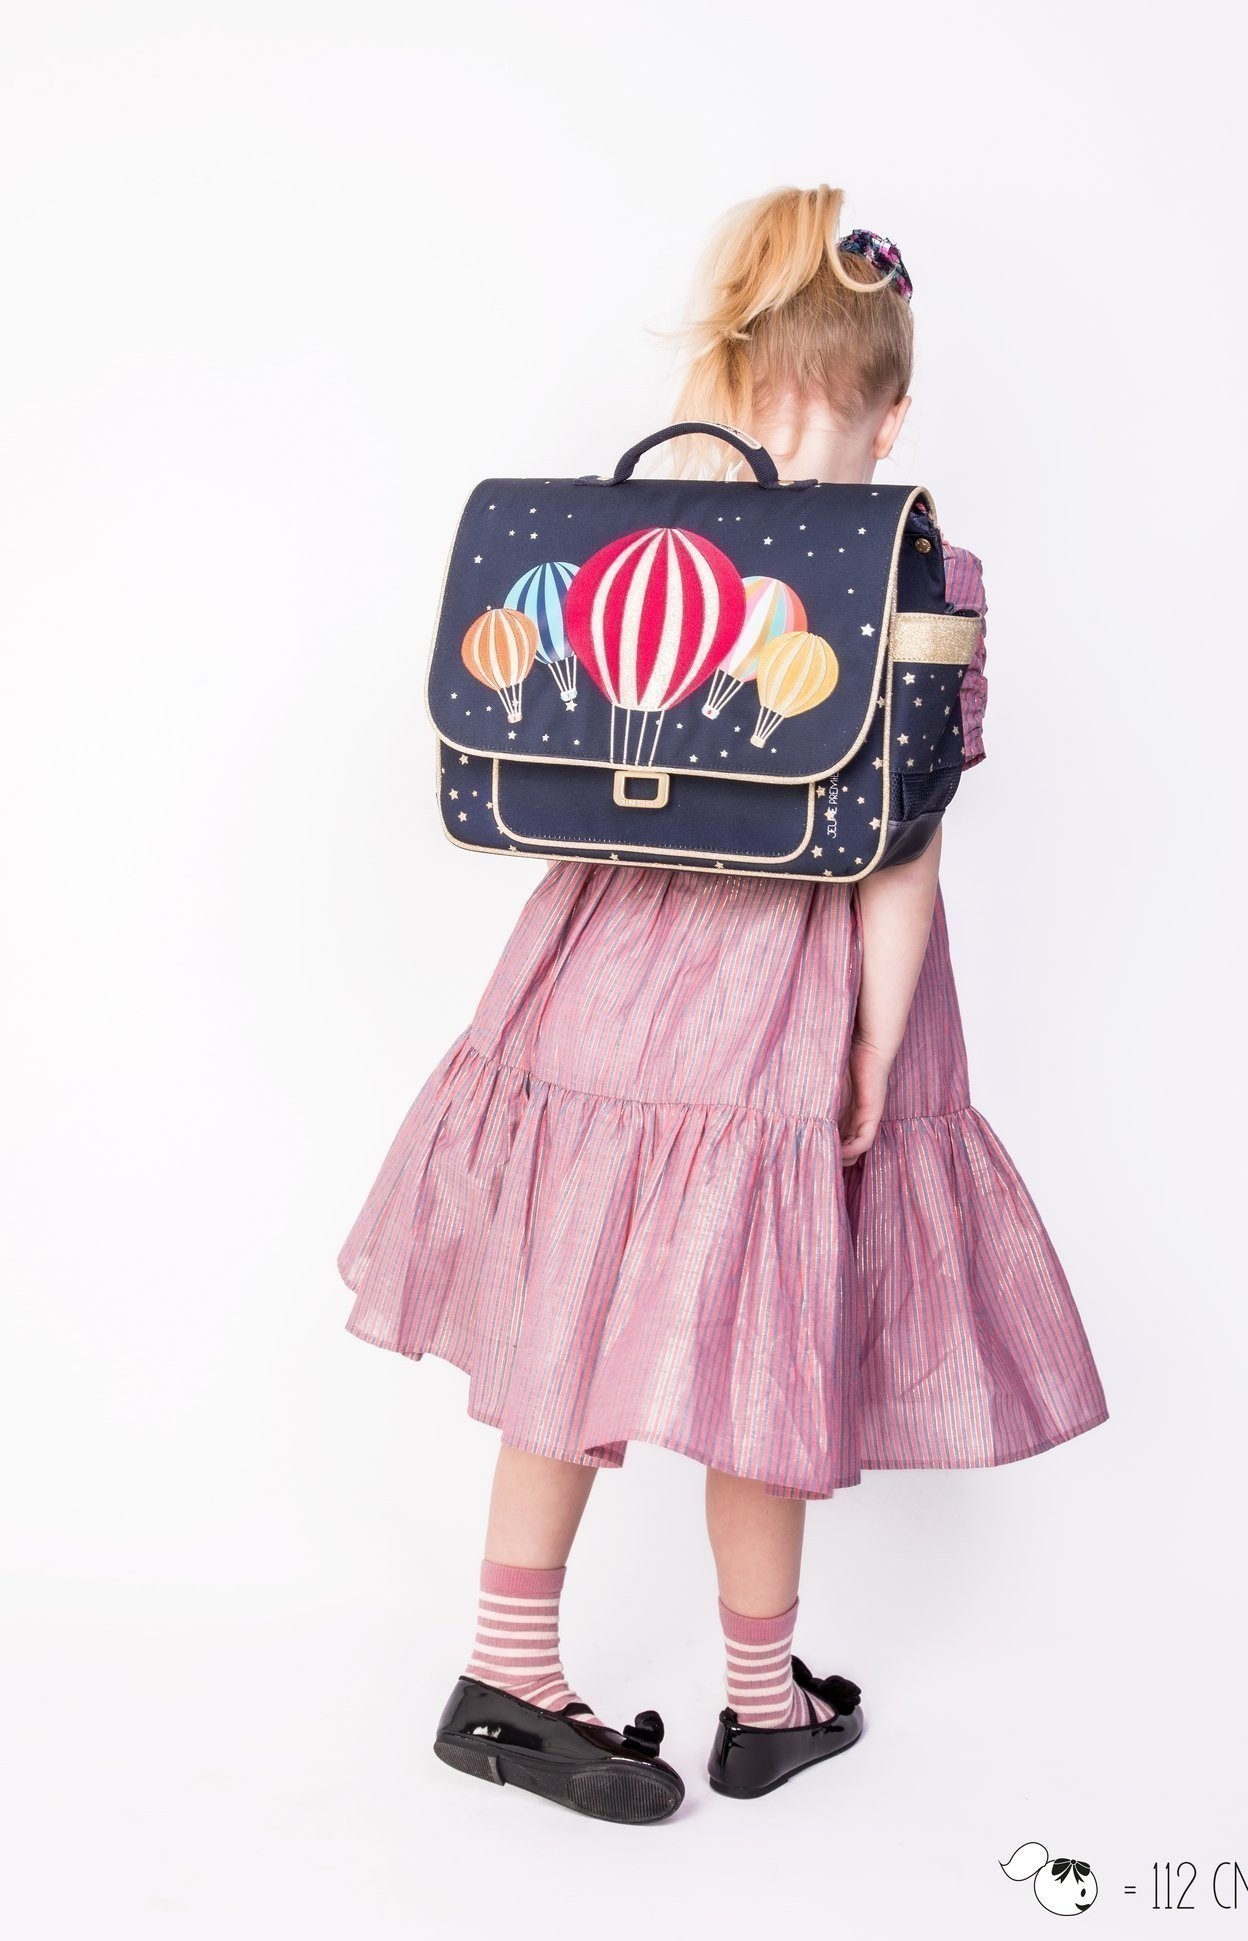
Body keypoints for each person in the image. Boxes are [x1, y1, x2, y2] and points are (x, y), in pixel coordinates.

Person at [336, 184, 1109, 1823]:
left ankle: (509, 1673)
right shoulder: (925, 566)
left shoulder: (647, 530)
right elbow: (903, 847)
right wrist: (879, 1039)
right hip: (799, 992)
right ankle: (762, 1703)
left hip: (608, 967)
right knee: (779, 1319)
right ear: (895, 410)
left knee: (575, 1292)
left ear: (738, 380)